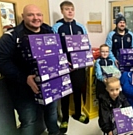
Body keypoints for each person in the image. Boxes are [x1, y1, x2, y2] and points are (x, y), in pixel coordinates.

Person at [0, 4, 61, 135]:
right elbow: (0, 62)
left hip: (48, 83)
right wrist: (24, 78)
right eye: (31, 15)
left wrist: (63, 63)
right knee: (28, 119)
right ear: (23, 17)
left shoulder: (50, 31)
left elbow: (56, 53)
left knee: (52, 112)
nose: (36, 18)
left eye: (39, 14)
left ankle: (54, 132)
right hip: (22, 88)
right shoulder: (11, 37)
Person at [52, 1, 89, 133]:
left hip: (79, 67)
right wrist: (64, 62)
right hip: (63, 67)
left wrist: (83, 61)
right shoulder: (56, 27)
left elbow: (86, 45)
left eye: (72, 9)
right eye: (67, 9)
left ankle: (78, 114)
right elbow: (53, 48)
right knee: (65, 93)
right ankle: (65, 119)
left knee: (78, 90)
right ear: (62, 11)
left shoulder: (81, 27)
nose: (70, 12)